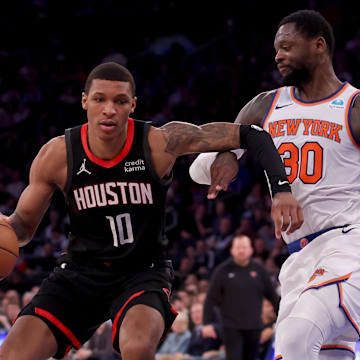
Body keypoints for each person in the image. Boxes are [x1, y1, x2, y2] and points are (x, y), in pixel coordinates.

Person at [0, 61, 301, 360]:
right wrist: (6, 231)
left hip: (142, 272)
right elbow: (22, 229)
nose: (109, 109)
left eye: (119, 101)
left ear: (132, 105)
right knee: (13, 354)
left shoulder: (159, 142)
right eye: (99, 99)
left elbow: (253, 134)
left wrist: (276, 186)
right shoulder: (57, 154)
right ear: (84, 101)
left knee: (139, 347)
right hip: (79, 272)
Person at [189, 9, 360, 359]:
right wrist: (222, 157)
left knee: (298, 335)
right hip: (299, 260)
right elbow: (198, 172)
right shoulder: (264, 106)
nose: (277, 55)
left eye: (286, 46)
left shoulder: (353, 106)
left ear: (318, 45)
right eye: (275, 48)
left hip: (348, 245)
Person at [202, 235, 279, 360]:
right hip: (231, 327)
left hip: (254, 326)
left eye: (244, 247)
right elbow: (210, 298)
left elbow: (273, 297)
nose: (241, 250)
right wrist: (206, 323)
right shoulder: (222, 270)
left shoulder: (259, 270)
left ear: (251, 250)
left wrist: (280, 319)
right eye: (238, 248)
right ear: (232, 250)